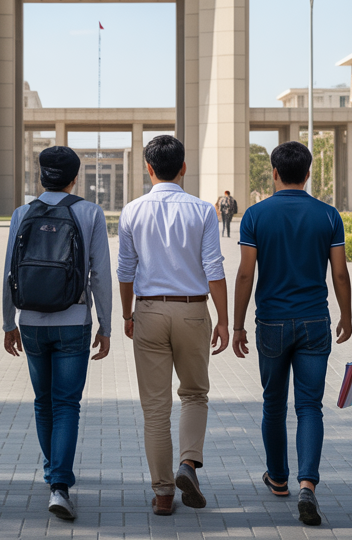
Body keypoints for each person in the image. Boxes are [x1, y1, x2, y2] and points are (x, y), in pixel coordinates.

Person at [231, 141, 352, 526]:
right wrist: (347, 316)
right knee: (310, 406)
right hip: (315, 321)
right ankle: (307, 485)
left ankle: (278, 478)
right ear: (308, 173)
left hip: (271, 322)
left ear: (274, 173)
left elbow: (246, 274)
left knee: (273, 403)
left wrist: (237, 325)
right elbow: (340, 273)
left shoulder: (255, 215)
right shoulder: (328, 215)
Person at [117, 135, 228, 517]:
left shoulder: (131, 211)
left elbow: (125, 270)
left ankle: (163, 494)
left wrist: (128, 314)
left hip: (148, 311)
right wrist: (224, 320)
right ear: (183, 167)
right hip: (193, 310)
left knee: (155, 409)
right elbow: (214, 268)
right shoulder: (203, 210)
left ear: (148, 168)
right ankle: (188, 464)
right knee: (194, 395)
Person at [1, 145, 112, 521]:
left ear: (40, 175)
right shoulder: (90, 212)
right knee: (66, 404)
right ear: (75, 177)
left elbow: (10, 272)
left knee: (43, 401)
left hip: (31, 322)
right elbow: (100, 275)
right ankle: (59, 486)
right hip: (74, 321)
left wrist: (8, 322)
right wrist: (106, 325)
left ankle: (53, 473)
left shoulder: (22, 213)